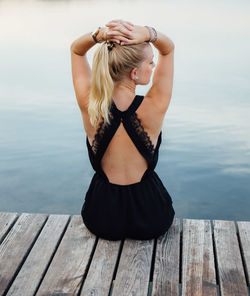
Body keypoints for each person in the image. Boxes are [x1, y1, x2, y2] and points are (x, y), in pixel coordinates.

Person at [70, 19, 175, 241]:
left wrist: (100, 35)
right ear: (134, 74)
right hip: (151, 216)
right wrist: (148, 33)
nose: (153, 66)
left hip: (103, 217)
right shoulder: (155, 105)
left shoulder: (89, 103)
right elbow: (169, 48)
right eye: (150, 63)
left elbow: (76, 51)